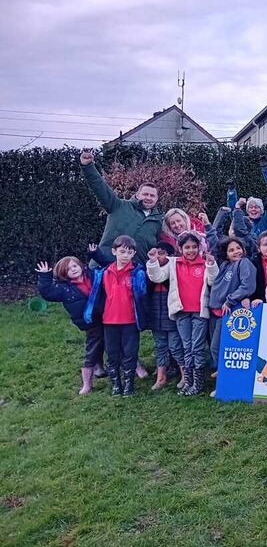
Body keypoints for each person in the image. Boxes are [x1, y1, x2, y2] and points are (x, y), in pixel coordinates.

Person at [146, 232, 218, 396]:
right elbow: (157, 277)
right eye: (187, 247)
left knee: (197, 347)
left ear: (199, 247)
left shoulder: (204, 263)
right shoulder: (174, 263)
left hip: (199, 312)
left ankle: (198, 383)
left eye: (194, 247)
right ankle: (189, 381)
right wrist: (152, 261)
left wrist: (212, 265)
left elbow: (213, 281)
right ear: (180, 248)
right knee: (187, 347)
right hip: (181, 312)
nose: (191, 250)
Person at [83, 235, 149, 396]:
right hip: (109, 320)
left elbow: (143, 294)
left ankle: (128, 384)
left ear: (133, 254)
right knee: (112, 354)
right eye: (122, 252)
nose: (125, 255)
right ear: (114, 252)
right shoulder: (104, 273)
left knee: (130, 353)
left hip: (130, 320)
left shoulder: (137, 272)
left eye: (129, 252)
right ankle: (115, 384)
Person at [79, 149, 162, 266]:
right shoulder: (119, 206)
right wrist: (88, 167)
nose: (148, 197)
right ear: (137, 195)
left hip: (133, 274)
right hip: (104, 267)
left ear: (157, 199)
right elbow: (100, 188)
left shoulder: (158, 220)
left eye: (152, 195)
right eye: (145, 194)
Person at [36, 253, 104, 395]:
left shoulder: (92, 275)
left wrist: (96, 254)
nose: (73, 269)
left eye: (74, 265)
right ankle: (87, 383)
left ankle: (129, 368)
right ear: (63, 273)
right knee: (93, 347)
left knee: (113, 342)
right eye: (68, 269)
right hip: (89, 322)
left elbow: (106, 267)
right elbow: (47, 292)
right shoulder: (63, 288)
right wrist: (45, 276)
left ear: (81, 265)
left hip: (106, 316)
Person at [207, 236, 257, 392]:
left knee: (218, 348)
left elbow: (247, 286)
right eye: (231, 250)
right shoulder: (224, 266)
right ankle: (223, 377)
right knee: (216, 348)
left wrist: (230, 300)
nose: (236, 252)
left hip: (229, 311)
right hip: (215, 311)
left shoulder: (244, 263)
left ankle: (224, 381)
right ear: (226, 254)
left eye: (238, 248)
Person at [145, 241, 185, 391]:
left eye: (162, 253)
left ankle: (185, 374)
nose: (158, 257)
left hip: (171, 316)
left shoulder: (174, 272)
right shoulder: (149, 272)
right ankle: (161, 376)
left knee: (175, 347)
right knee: (160, 346)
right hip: (155, 316)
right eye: (155, 254)